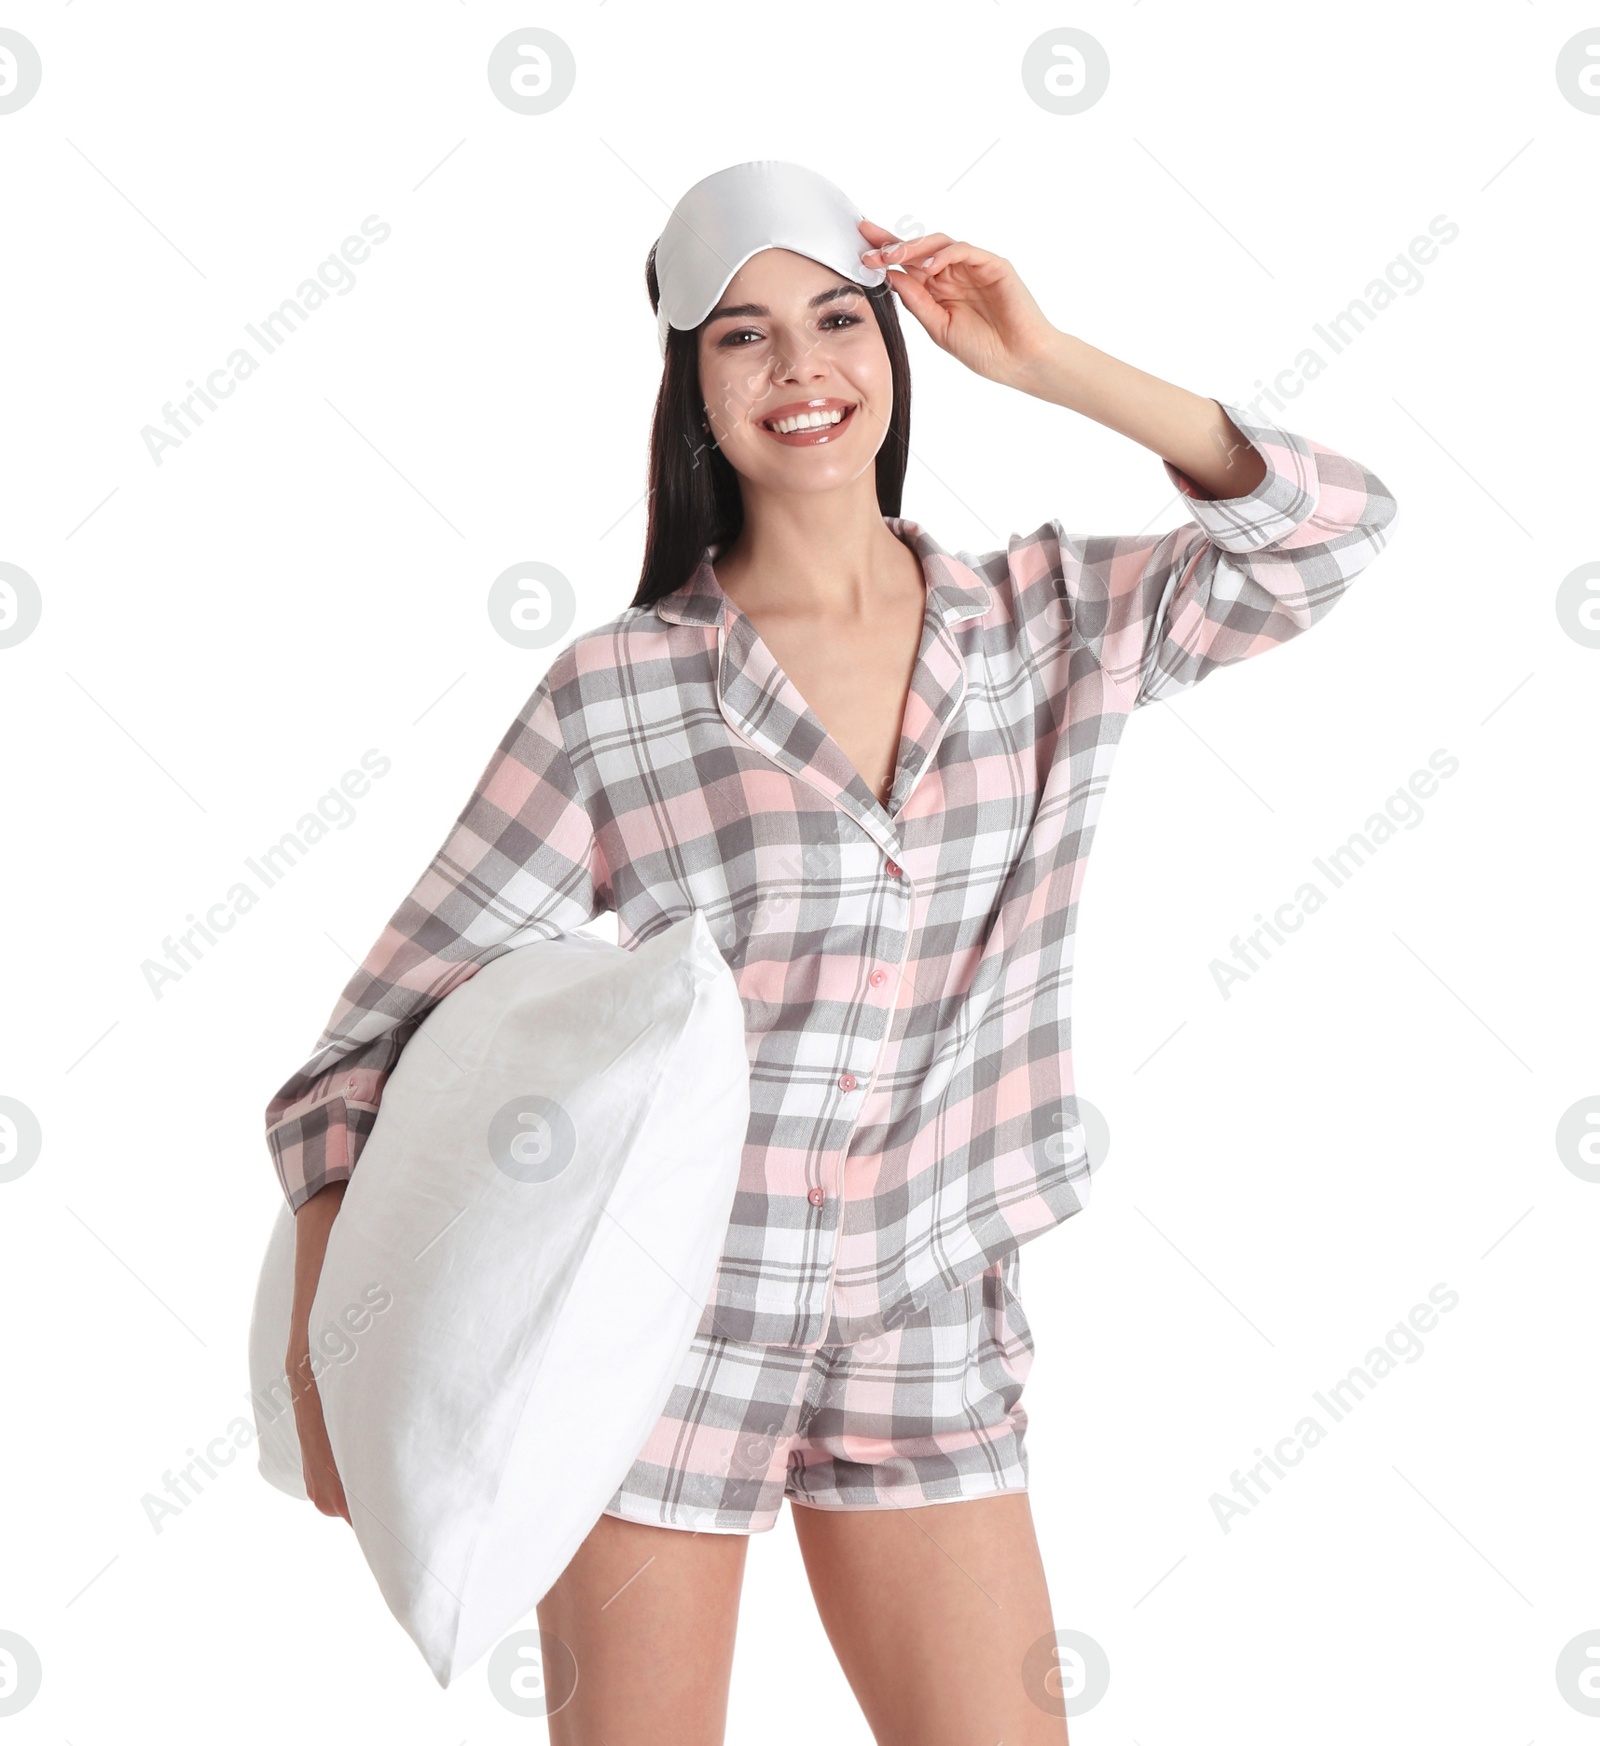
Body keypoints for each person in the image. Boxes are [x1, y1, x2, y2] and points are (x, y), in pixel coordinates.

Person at [264, 161, 1397, 1743]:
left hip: (926, 1313)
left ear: (893, 347)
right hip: (657, 1329)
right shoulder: (620, 694)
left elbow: (1330, 534)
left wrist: (1047, 356)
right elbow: (366, 1048)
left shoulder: (1043, 621)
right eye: (743, 339)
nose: (801, 370)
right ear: (694, 393)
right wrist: (336, 1343)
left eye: (836, 321)